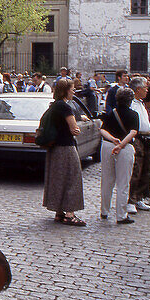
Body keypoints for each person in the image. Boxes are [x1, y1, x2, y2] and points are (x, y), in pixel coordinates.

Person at [42, 78, 86, 226]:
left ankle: (58, 212)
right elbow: (74, 129)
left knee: (58, 180)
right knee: (72, 178)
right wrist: (78, 129)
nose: (74, 91)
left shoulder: (54, 105)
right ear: (66, 90)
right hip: (67, 147)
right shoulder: (66, 107)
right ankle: (70, 214)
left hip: (54, 148)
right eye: (72, 89)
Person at [99, 87, 139, 224]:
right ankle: (121, 215)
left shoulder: (111, 113)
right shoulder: (133, 115)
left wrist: (112, 139)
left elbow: (102, 130)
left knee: (107, 180)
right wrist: (120, 145)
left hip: (107, 146)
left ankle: (104, 211)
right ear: (130, 100)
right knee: (123, 182)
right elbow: (133, 132)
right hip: (125, 147)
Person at [128, 76, 150, 212]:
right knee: (136, 169)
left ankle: (139, 197)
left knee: (146, 169)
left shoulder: (141, 103)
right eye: (145, 88)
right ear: (138, 89)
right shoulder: (132, 104)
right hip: (137, 138)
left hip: (146, 137)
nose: (147, 91)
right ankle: (131, 199)